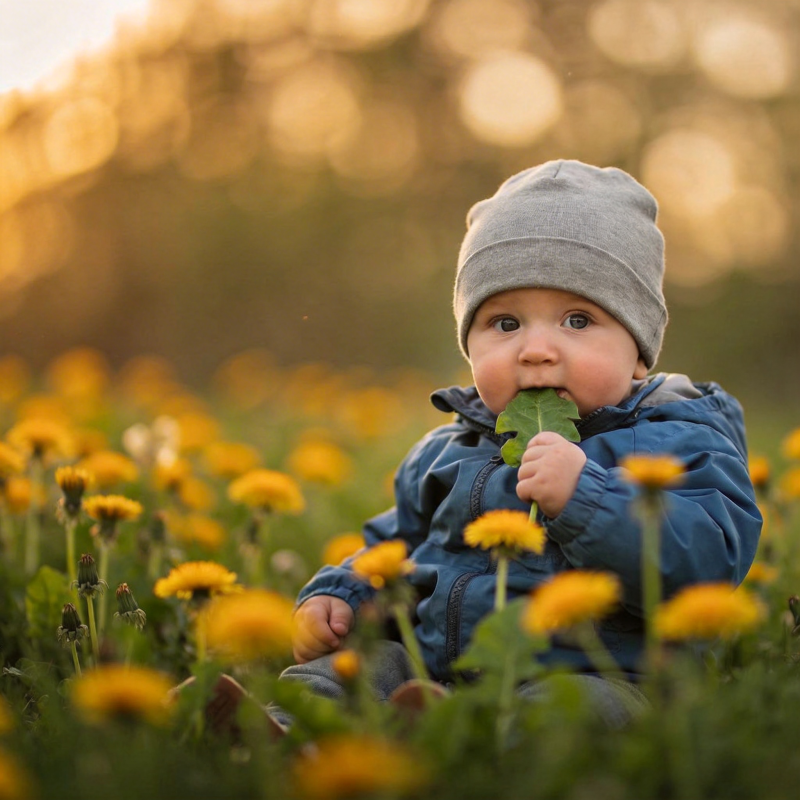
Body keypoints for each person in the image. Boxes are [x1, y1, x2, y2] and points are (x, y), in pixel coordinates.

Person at [282, 159, 762, 726]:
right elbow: (395, 543)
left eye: (577, 321)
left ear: (638, 351)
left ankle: (489, 753)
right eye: (505, 324)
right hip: (437, 667)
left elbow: (709, 562)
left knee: (577, 709)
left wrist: (587, 499)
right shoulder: (447, 449)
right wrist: (341, 595)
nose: (536, 349)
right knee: (362, 665)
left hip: (602, 674)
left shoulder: (678, 442)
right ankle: (291, 729)